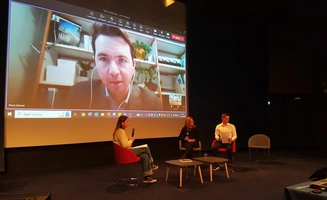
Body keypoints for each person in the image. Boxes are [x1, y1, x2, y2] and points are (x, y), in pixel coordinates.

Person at [63, 22, 161, 110]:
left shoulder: (152, 102)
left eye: (122, 60)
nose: (114, 72)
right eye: (104, 59)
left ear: (133, 65)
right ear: (96, 62)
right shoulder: (78, 94)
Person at [112, 115, 159, 183]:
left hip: (125, 152)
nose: (129, 123)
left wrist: (129, 143)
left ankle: (147, 177)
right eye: (127, 121)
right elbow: (124, 145)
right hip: (124, 155)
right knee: (146, 148)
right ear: (122, 123)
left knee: (145, 156)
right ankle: (152, 164)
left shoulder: (119, 131)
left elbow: (123, 145)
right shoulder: (120, 131)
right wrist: (131, 140)